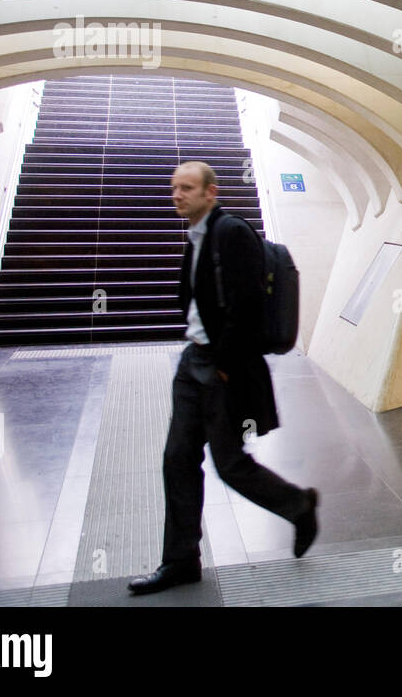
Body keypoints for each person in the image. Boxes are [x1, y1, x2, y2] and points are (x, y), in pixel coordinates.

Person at [128, 161, 318, 595]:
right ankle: (179, 561)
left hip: (220, 366)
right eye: (174, 187)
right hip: (192, 362)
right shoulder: (195, 236)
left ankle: (299, 505)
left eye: (188, 188)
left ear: (211, 193)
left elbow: (247, 304)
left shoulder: (231, 233)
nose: (177, 195)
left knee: (230, 465)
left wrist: (223, 364)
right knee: (178, 460)